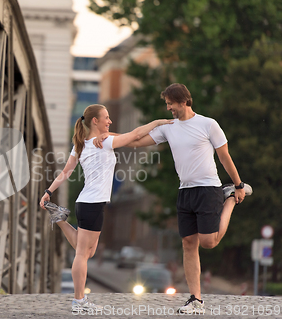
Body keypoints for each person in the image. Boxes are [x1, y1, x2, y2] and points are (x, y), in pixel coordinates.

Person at [94, 83, 252, 314]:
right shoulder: (169, 127)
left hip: (208, 189)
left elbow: (225, 156)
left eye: (170, 104)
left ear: (183, 101)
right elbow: (137, 141)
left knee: (209, 242)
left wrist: (238, 185)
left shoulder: (208, 124)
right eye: (166, 104)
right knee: (189, 244)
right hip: (185, 191)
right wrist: (107, 136)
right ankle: (195, 299)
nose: (168, 109)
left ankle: (228, 199)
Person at [39, 104, 172, 313]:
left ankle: (60, 219)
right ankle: (78, 301)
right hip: (92, 204)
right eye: (106, 118)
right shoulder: (105, 143)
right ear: (95, 121)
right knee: (82, 254)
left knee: (87, 251)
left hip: (89, 203)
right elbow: (135, 134)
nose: (109, 121)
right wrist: (157, 123)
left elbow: (65, 172)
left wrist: (49, 190)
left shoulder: (81, 144)